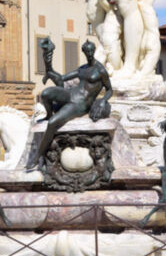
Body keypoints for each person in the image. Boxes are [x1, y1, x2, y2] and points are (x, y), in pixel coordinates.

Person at [27, 41, 113, 172]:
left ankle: (37, 156)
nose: (89, 54)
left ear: (94, 51)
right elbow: (61, 79)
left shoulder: (100, 70)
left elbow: (109, 90)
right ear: (84, 52)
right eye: (86, 51)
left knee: (52, 123)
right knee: (46, 93)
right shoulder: (82, 69)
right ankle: (49, 113)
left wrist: (102, 101)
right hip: (71, 94)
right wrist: (48, 65)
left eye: (91, 51)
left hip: (81, 104)